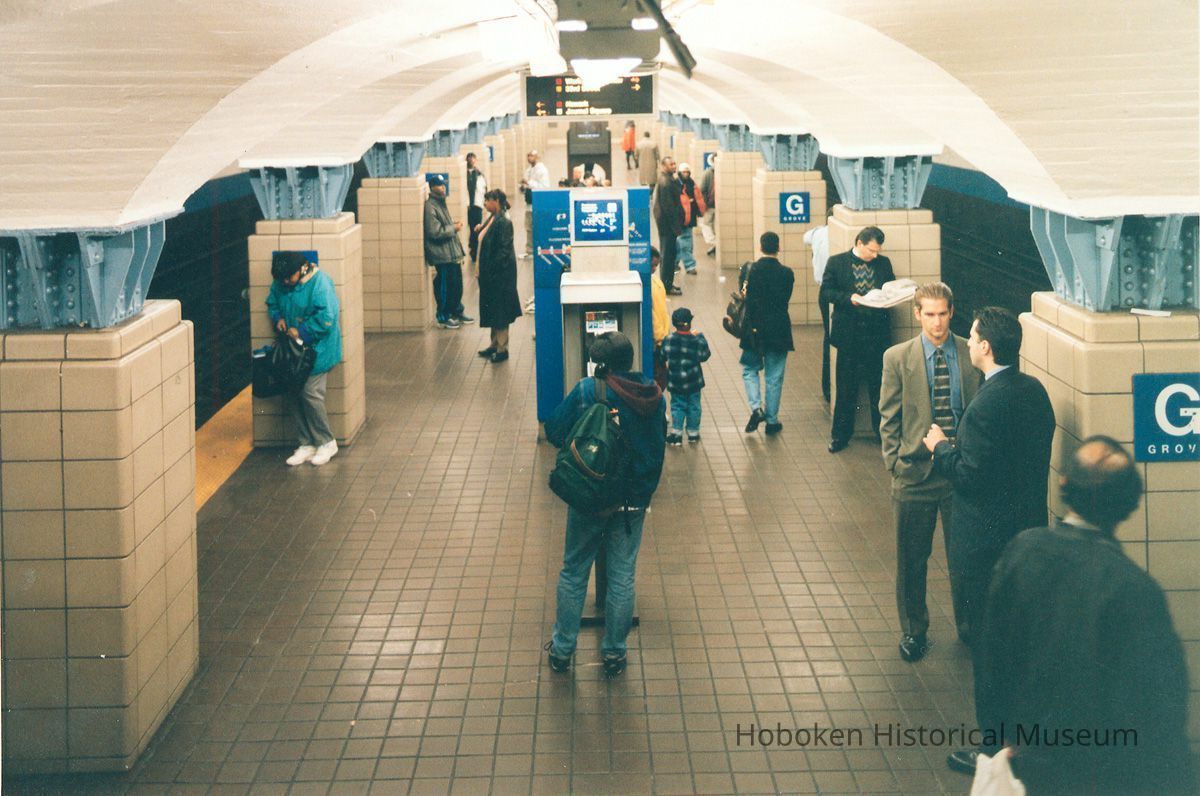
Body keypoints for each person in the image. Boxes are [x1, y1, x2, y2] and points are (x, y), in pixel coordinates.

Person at [959, 437, 1193, 793]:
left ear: (1064, 484)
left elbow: (991, 659)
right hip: (1102, 776)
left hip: (1027, 762)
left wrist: (996, 745)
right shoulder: (1134, 589)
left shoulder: (1023, 552)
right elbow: (1158, 709)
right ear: (1129, 503)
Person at [923, 306, 1054, 652]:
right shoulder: (1034, 390)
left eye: (975, 337)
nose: (968, 344)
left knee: (988, 632)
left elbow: (969, 475)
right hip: (1026, 527)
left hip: (986, 540)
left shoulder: (986, 406)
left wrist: (940, 448)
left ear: (986, 348)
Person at [544, 332, 666, 678]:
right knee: (622, 574)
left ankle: (563, 650)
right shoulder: (653, 395)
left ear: (601, 364)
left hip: (591, 499)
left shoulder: (588, 390)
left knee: (574, 570)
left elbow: (554, 430)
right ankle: (614, 652)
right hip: (632, 503)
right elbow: (655, 450)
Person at [878, 282, 982, 663]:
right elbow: (887, 417)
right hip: (915, 475)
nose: (937, 323)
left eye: (943, 314)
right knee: (911, 559)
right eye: (929, 314)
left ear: (952, 312)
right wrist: (895, 463)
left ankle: (969, 626)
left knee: (965, 557)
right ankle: (914, 631)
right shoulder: (897, 358)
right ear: (917, 314)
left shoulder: (970, 354)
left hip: (960, 475)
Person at [821, 226, 895, 452]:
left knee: (879, 389)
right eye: (871, 250)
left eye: (877, 251)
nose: (875, 255)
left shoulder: (884, 263)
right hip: (849, 337)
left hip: (876, 337)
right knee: (845, 389)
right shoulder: (837, 262)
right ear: (860, 243)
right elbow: (826, 292)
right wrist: (848, 298)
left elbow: (890, 286)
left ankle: (882, 436)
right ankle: (840, 437)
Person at [266, 251, 342, 467]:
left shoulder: (320, 283)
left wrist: (302, 331)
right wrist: (278, 318)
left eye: (288, 278)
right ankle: (306, 443)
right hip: (294, 352)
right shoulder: (282, 282)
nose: (285, 282)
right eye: (281, 279)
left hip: (318, 350)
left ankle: (327, 442)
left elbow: (328, 318)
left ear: (301, 270)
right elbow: (273, 302)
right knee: (292, 391)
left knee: (310, 393)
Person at [740, 231, 794, 436]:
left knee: (749, 370)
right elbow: (785, 299)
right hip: (779, 330)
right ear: (778, 248)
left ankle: (756, 408)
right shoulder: (787, 273)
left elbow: (745, 297)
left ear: (760, 247)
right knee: (774, 377)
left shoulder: (749, 270)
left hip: (753, 330)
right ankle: (772, 421)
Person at [474, 189, 522, 364]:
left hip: (500, 277)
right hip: (490, 276)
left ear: (496, 201)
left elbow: (503, 251)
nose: (485, 204)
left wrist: (492, 271)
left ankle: (502, 349)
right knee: (493, 309)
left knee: (500, 311)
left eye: (487, 201)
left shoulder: (504, 222)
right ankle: (494, 344)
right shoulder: (493, 218)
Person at [423, 173, 472, 329]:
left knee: (456, 285)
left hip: (450, 253)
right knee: (444, 286)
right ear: (432, 188)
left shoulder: (441, 203)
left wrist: (452, 225)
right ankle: (443, 316)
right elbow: (434, 232)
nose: (443, 187)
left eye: (443, 184)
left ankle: (456, 311)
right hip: (442, 255)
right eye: (439, 185)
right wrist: (454, 228)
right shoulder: (431, 206)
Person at [660, 307, 711, 445]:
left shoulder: (669, 339)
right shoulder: (696, 341)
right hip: (694, 381)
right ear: (690, 323)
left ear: (674, 323)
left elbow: (662, 355)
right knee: (694, 406)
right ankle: (693, 434)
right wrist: (699, 336)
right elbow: (705, 355)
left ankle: (676, 434)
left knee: (677, 406)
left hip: (676, 381)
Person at [804, 224, 831, 401]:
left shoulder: (818, 233)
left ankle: (827, 387)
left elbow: (805, 237)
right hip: (834, 289)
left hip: (823, 288)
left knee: (828, 336)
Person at [652, 156, 684, 296]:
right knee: (668, 255)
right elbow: (669, 207)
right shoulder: (666, 182)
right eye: (671, 164)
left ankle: (668, 283)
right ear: (664, 166)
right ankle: (666, 285)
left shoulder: (668, 179)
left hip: (666, 225)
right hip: (668, 226)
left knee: (670, 255)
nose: (674, 166)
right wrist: (676, 227)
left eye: (674, 163)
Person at [675, 163, 707, 276]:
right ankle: (690, 266)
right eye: (684, 172)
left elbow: (698, 199)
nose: (686, 174)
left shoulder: (691, 184)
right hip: (681, 219)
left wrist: (700, 211)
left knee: (682, 243)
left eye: (687, 172)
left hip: (689, 219)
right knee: (685, 244)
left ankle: (675, 264)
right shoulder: (678, 185)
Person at [519, 150, 550, 257]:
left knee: (536, 227)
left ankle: (536, 249)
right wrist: (523, 187)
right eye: (528, 156)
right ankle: (529, 249)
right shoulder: (528, 170)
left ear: (537, 157)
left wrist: (528, 183)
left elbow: (544, 187)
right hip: (528, 204)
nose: (529, 158)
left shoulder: (542, 170)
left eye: (531, 156)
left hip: (537, 205)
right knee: (528, 228)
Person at [649, 246, 670, 390]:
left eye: (656, 265)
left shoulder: (656, 283)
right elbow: (653, 315)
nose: (655, 268)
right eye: (653, 265)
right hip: (657, 340)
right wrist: (660, 335)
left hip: (661, 339)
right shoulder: (650, 285)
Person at [465, 152, 487, 265]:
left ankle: (474, 249)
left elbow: (483, 190)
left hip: (477, 205)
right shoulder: (463, 174)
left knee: (476, 227)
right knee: (471, 227)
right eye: (470, 159)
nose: (472, 161)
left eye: (473, 159)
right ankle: (473, 246)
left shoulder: (479, 174)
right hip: (468, 206)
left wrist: (484, 203)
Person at [698, 152, 717, 257]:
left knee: (707, 226)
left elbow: (702, 189)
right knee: (709, 226)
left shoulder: (707, 173)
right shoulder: (711, 173)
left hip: (710, 205)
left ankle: (715, 244)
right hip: (713, 205)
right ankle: (716, 244)